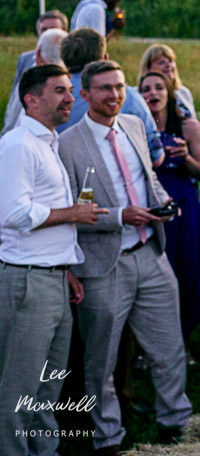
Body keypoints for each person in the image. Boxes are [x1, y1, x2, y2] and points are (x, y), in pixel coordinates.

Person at [57, 60, 193, 454]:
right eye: (105, 88)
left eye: (119, 87)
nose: (114, 95)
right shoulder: (66, 145)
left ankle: (176, 423)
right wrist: (120, 217)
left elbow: (148, 180)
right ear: (85, 94)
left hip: (151, 254)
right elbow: (68, 212)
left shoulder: (133, 124)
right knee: (100, 362)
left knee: (169, 349)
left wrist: (163, 204)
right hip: (103, 266)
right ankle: (108, 438)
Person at [0, 64, 99, 456]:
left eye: (70, 90)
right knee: (18, 389)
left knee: (48, 388)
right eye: (60, 91)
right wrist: (74, 213)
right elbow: (13, 214)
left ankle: (46, 452)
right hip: (27, 283)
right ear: (31, 99)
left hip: (53, 279)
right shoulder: (19, 145)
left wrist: (65, 269)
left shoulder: (47, 143)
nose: (70, 98)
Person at [138, 71, 200, 339]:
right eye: (146, 89)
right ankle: (152, 336)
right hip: (149, 203)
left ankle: (185, 335)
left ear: (169, 93)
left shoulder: (187, 127)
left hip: (182, 202)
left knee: (184, 264)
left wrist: (186, 158)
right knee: (154, 269)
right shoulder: (135, 127)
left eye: (159, 87)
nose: (153, 93)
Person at [3, 8, 67, 133]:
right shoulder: (26, 58)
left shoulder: (72, 62)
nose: (48, 34)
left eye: (54, 29)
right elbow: (15, 96)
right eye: (44, 30)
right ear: (38, 31)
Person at [137, 44, 196, 121]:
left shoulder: (183, 92)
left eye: (171, 61)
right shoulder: (137, 95)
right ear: (148, 68)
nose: (168, 65)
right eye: (161, 62)